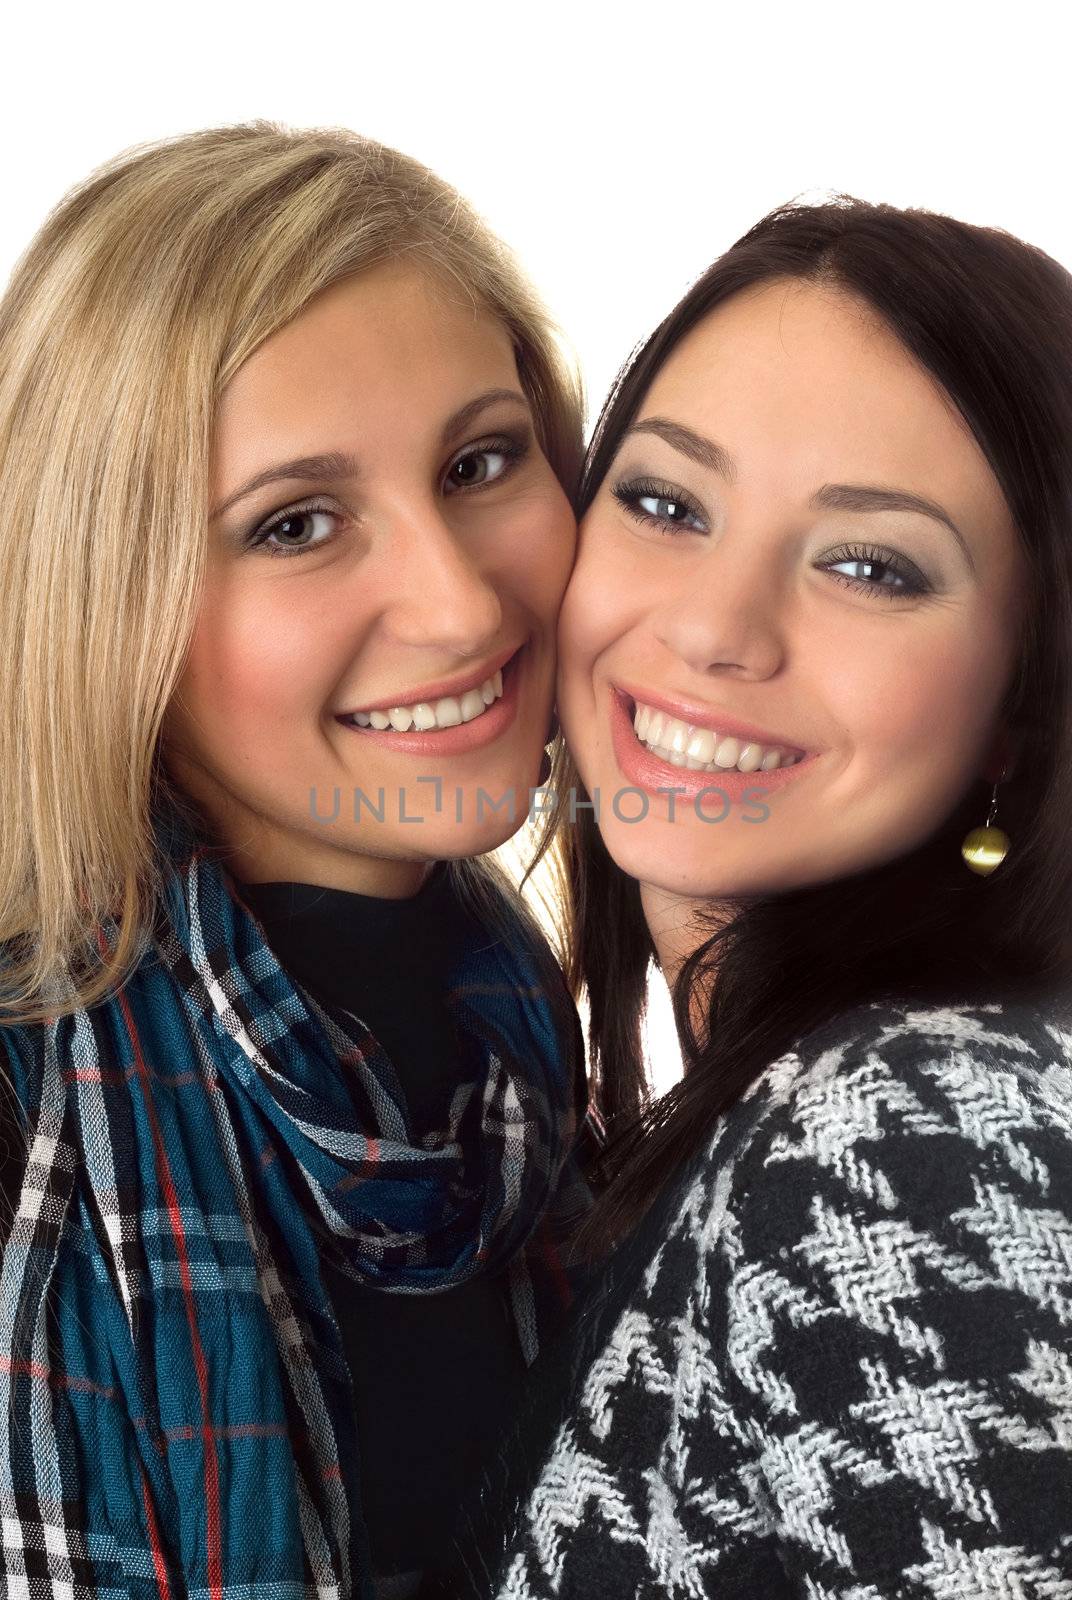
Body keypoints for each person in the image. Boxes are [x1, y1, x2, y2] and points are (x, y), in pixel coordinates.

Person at [442, 199, 1072, 1597]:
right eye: (668, 503)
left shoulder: (910, 1123)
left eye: (870, 565)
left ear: (1024, 703)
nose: (718, 628)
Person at [0, 121, 592, 1599]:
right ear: (105, 599)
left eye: (481, 461)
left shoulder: (529, 1062)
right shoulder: (17, 1100)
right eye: (299, 523)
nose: (459, 607)